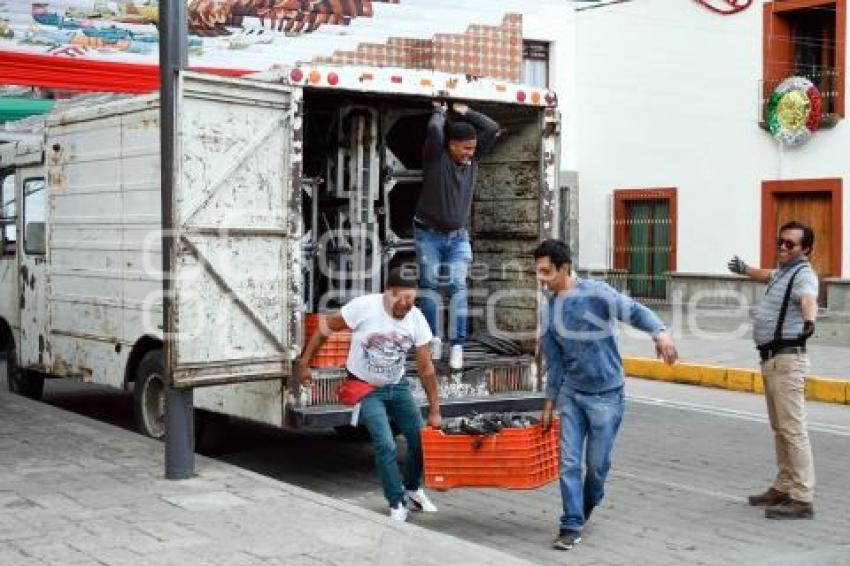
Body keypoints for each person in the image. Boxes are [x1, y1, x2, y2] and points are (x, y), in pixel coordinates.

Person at [533, 239, 678, 551]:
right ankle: (571, 523)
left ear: (564, 268)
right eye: (538, 272)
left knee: (597, 467)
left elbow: (634, 311)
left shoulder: (596, 293)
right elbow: (555, 363)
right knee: (569, 463)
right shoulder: (548, 312)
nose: (541, 279)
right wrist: (549, 403)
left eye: (546, 272)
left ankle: (590, 498)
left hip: (607, 396)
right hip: (572, 395)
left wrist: (660, 333)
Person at [296, 267, 442, 521]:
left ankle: (412, 489)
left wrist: (435, 410)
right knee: (385, 444)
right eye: (401, 298)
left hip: (397, 386)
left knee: (421, 441)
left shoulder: (416, 318)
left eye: (412, 299)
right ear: (386, 293)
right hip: (365, 386)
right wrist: (305, 362)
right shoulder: (363, 307)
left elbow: (426, 367)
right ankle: (396, 502)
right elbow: (325, 328)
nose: (406, 305)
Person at [727, 220, 818, 520]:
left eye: (789, 244)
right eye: (780, 241)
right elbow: (766, 275)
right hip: (772, 360)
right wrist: (745, 268)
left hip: (787, 360)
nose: (782, 247)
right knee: (780, 428)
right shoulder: (783, 272)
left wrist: (809, 322)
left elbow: (808, 299)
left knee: (793, 430)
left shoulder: (803, 274)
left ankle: (802, 497)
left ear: (804, 249)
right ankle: (783, 486)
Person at [414, 100, 499, 370]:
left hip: (458, 238)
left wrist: (466, 112)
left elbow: (492, 128)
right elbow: (436, 131)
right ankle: (433, 339)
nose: (470, 153)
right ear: (451, 145)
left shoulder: (473, 160)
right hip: (428, 234)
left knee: (458, 288)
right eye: (466, 148)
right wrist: (439, 111)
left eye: (474, 149)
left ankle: (458, 345)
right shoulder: (435, 157)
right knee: (429, 288)